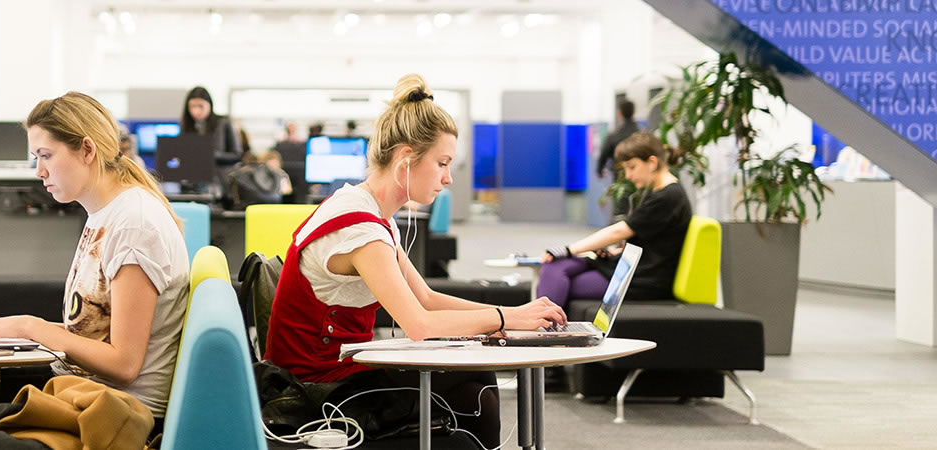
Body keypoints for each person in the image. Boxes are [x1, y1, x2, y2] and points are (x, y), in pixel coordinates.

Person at [263, 74, 567, 445]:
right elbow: (419, 324)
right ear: (406, 158)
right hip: (319, 391)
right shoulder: (361, 231)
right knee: (479, 388)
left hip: (339, 371)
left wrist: (510, 316)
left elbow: (425, 297)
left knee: (477, 388)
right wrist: (507, 317)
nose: (448, 178)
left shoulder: (369, 212)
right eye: (442, 163)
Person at [0, 91, 190, 449]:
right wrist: (13, 331)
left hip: (115, 409)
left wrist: (31, 327)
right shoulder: (106, 212)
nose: (39, 171)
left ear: (87, 150)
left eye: (46, 156)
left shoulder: (133, 224)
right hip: (81, 386)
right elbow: (98, 331)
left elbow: (123, 363)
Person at [537, 131, 692, 306]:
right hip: (631, 268)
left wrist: (569, 249)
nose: (628, 175)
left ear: (652, 162)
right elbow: (652, 242)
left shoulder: (668, 196)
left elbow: (620, 231)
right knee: (554, 267)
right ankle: (542, 327)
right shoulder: (658, 191)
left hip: (642, 280)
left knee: (560, 279)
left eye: (632, 167)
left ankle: (542, 328)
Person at [597, 101, 640, 216]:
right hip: (641, 175)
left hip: (620, 176)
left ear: (619, 113)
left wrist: (599, 170)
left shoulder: (614, 134)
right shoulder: (641, 133)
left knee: (621, 205)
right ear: (634, 112)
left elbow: (604, 154)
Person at [179, 86, 240, 160]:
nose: (196, 111)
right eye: (193, 106)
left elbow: (237, 154)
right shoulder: (186, 125)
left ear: (209, 105)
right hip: (193, 170)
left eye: (201, 106)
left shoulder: (223, 123)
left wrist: (212, 154)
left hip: (219, 170)